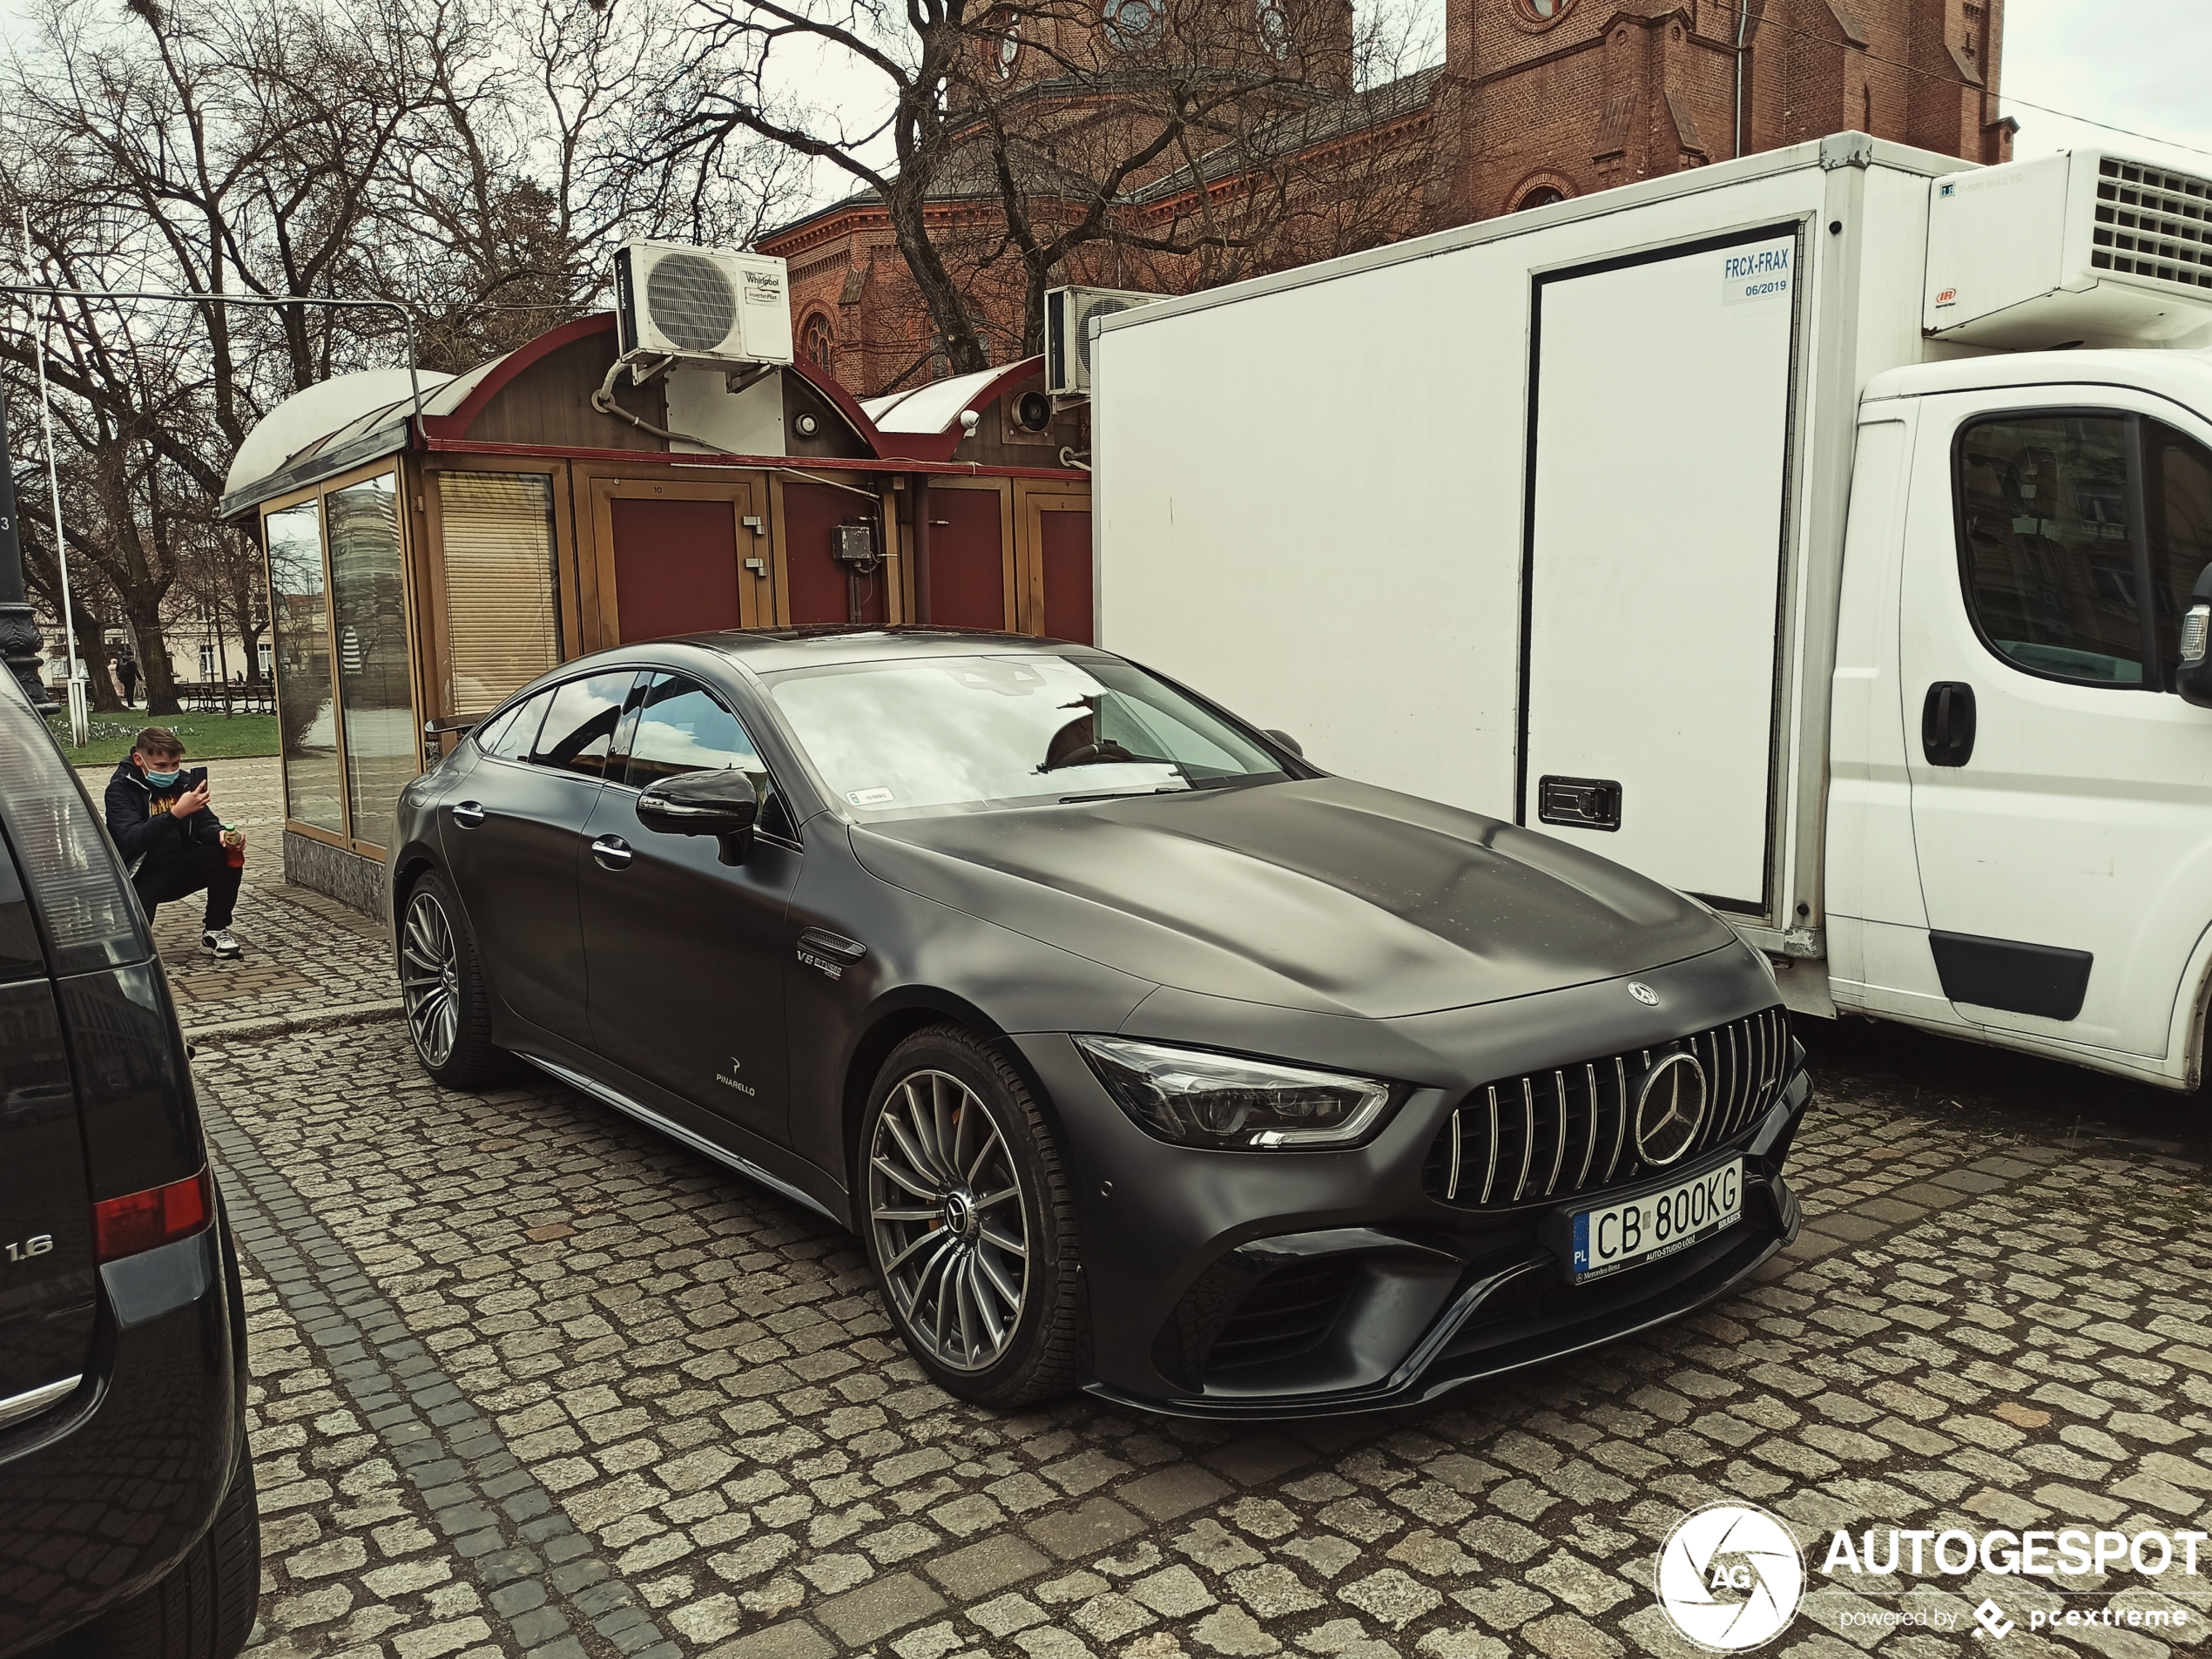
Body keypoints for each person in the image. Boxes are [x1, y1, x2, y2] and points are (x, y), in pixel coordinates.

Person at [104, 727, 246, 958]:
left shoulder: (184, 783)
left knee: (223, 854)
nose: (170, 771)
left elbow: (205, 823)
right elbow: (132, 839)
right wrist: (175, 814)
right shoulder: (120, 789)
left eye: (175, 764)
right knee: (134, 952)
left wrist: (222, 834)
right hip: (139, 875)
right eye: (161, 766)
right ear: (139, 759)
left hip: (178, 866)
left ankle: (215, 931)